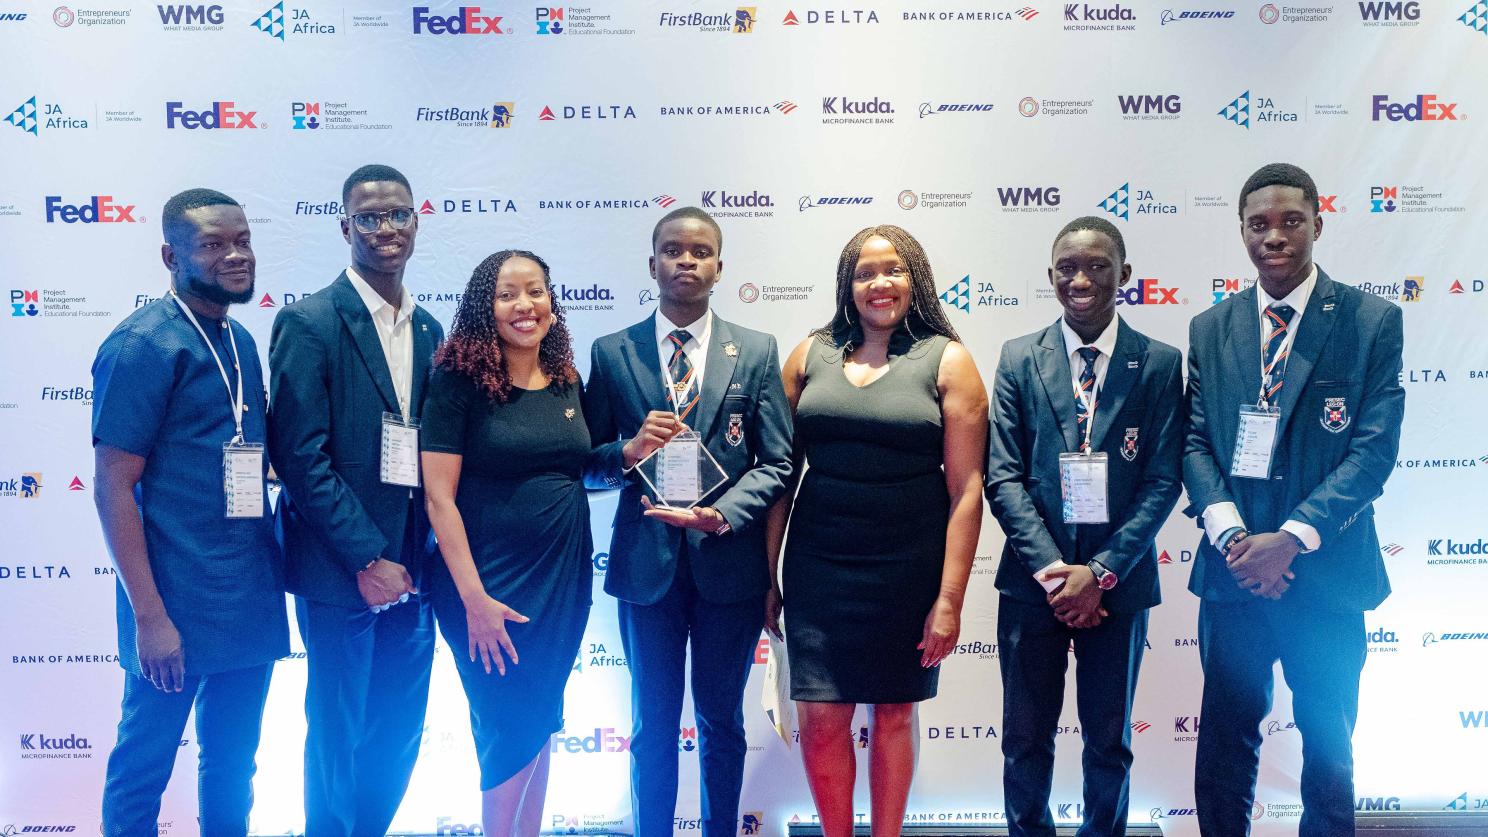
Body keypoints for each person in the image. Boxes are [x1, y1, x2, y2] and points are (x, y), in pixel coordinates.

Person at [1184, 163, 1405, 837]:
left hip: (1328, 574)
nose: (1274, 236)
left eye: (1289, 221)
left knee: (1330, 745)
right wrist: (1235, 542)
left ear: (1317, 221)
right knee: (1225, 743)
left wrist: (1290, 539)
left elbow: (1372, 453)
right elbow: (1195, 444)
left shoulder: (1370, 322)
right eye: (1259, 223)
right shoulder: (1210, 326)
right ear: (1242, 231)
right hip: (1232, 575)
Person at [764, 224, 987, 837]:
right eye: (865, 272)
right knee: (821, 716)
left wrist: (948, 599)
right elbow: (780, 477)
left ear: (914, 278)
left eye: (893, 270)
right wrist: (769, 575)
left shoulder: (949, 360)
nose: (879, 283)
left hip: (908, 568)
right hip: (819, 566)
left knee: (893, 714)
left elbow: (968, 490)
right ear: (848, 283)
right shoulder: (809, 355)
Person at [582, 206, 794, 837]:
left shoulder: (754, 351)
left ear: (719, 267)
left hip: (728, 569)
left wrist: (723, 515)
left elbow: (778, 462)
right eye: (673, 250)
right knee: (651, 723)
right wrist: (624, 452)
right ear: (652, 264)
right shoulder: (613, 351)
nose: (686, 261)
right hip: (645, 571)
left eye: (700, 252)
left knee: (723, 722)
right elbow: (586, 467)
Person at [92, 188, 288, 837]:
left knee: (234, 767)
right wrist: (149, 617)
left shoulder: (240, 342)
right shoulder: (143, 344)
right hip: (174, 604)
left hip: (248, 596)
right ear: (171, 254)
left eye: (242, 240)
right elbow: (112, 486)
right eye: (213, 244)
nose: (235, 255)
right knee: (143, 767)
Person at [984, 216, 1184, 837]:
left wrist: (1098, 574)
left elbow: (1162, 481)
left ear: (1124, 276)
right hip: (1031, 587)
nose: (1081, 279)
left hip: (1118, 586)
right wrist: (1057, 576)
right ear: (1050, 276)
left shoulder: (1157, 363)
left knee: (1109, 741)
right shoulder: (1019, 358)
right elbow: (1003, 478)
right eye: (1067, 267)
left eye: (1097, 266)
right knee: (1023, 739)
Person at [267, 164, 445, 837]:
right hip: (343, 570)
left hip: (415, 571)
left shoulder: (428, 329)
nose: (386, 228)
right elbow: (300, 459)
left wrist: (409, 559)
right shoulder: (309, 322)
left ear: (416, 222)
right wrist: (368, 556)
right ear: (345, 227)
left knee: (399, 727)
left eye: (398, 214)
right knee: (337, 734)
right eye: (369, 217)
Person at [421, 250, 593, 837]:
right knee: (504, 727)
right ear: (483, 307)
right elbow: (438, 498)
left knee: (539, 720)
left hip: (562, 585)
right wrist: (474, 601)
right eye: (508, 294)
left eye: (536, 291)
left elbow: (577, 466)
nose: (525, 305)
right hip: (488, 588)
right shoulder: (457, 380)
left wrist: (629, 454)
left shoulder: (566, 376)